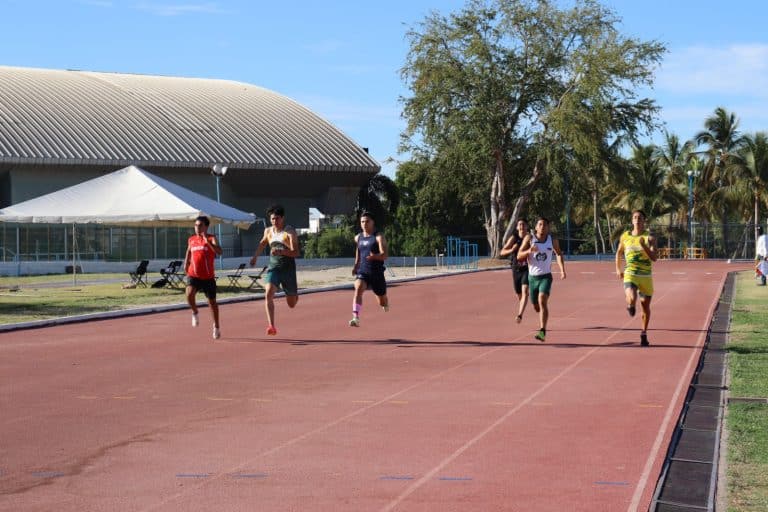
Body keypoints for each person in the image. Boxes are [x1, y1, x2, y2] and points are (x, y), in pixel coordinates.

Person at [250, 204, 300, 335]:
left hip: (288, 270)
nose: (274, 221)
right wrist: (255, 257)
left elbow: (296, 253)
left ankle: (294, 295)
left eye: (277, 218)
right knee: (268, 294)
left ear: (283, 218)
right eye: (272, 219)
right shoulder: (268, 231)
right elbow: (262, 243)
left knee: (292, 304)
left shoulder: (289, 232)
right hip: (274, 269)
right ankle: (271, 326)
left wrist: (281, 251)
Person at [516, 217, 566, 342]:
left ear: (548, 228)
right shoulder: (530, 239)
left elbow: (559, 253)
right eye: (540, 224)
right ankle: (538, 310)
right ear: (536, 227)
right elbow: (519, 255)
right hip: (532, 278)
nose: (542, 227)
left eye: (545, 225)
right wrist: (529, 250)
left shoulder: (552, 240)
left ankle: (542, 331)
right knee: (536, 306)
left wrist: (562, 270)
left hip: (546, 277)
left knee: (542, 300)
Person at [615, 209, 658, 346]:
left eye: (640, 217)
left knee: (645, 307)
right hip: (630, 273)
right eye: (635, 217)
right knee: (632, 297)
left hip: (645, 276)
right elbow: (619, 253)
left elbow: (654, 258)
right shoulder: (625, 236)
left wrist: (644, 245)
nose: (637, 219)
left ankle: (643, 333)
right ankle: (630, 305)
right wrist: (618, 269)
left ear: (644, 221)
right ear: (632, 220)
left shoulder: (650, 238)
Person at [183, 215, 223, 340]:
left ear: (206, 227)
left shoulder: (212, 238)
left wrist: (208, 242)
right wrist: (186, 263)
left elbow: (219, 252)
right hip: (193, 274)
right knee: (189, 294)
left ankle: (216, 326)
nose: (197, 228)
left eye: (200, 225)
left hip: (208, 277)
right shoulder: (191, 239)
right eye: (195, 225)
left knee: (212, 303)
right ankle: (195, 312)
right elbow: (189, 251)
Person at [349, 211, 389, 327]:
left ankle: (385, 302)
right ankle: (355, 317)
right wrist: (356, 265)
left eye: (367, 221)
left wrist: (375, 256)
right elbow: (359, 250)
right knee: (358, 289)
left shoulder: (378, 237)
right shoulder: (358, 237)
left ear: (373, 223)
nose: (364, 224)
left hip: (376, 273)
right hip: (363, 271)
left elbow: (385, 255)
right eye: (362, 222)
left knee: (382, 301)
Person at [499, 218, 530, 323]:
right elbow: (502, 252)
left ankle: (520, 315)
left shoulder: (530, 238)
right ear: (517, 227)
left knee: (525, 291)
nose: (521, 226)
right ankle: (522, 304)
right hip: (516, 269)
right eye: (519, 224)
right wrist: (512, 250)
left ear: (527, 227)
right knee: (519, 294)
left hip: (527, 269)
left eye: (523, 224)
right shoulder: (514, 238)